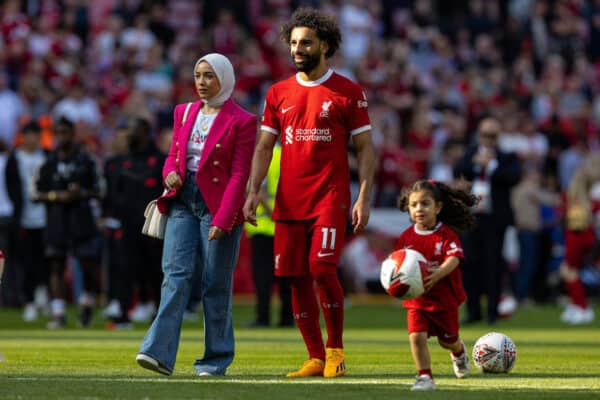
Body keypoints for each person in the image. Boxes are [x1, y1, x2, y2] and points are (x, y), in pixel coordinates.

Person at [243, 7, 376, 378]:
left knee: (321, 267)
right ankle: (316, 357)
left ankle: (336, 350)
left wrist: (363, 195)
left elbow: (365, 149)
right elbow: (263, 147)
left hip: (330, 199)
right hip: (287, 201)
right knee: (295, 276)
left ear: (325, 46)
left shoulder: (348, 92)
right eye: (294, 43)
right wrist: (254, 192)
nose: (298, 49)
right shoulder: (277, 93)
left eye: (306, 43)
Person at [136, 53, 257, 376]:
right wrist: (170, 173)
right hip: (182, 201)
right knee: (174, 277)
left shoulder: (242, 121)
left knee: (215, 283)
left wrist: (223, 218)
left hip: (218, 206)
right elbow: (174, 155)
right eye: (198, 75)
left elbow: (239, 174)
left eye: (209, 76)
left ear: (224, 79)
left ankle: (215, 360)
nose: (201, 83)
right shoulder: (184, 111)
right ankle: (157, 352)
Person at [395, 179, 477, 391]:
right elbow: (398, 264)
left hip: (444, 300)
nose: (419, 209)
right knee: (416, 337)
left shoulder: (445, 234)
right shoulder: (406, 237)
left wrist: (439, 272)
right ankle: (424, 377)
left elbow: (455, 257)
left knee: (447, 341)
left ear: (438, 207)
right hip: (417, 301)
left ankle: (458, 352)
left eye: (425, 203)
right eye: (414, 205)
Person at [32, 116, 103, 329]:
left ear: (73, 134)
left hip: (81, 218)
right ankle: (58, 312)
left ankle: (86, 305)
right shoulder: (46, 162)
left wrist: (81, 193)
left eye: (65, 133)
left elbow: (100, 190)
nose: (62, 137)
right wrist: (56, 196)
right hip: (57, 220)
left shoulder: (87, 161)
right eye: (58, 133)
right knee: (56, 265)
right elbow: (35, 193)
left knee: (87, 264)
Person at [453, 117, 522, 325]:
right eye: (485, 135)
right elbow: (458, 171)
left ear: (498, 137)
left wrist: (491, 165)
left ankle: (492, 312)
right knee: (470, 263)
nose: (489, 140)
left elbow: (514, 177)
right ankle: (473, 310)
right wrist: (475, 163)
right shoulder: (470, 153)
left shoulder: (506, 157)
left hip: (495, 219)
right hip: (472, 217)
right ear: (479, 135)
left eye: (492, 136)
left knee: (493, 265)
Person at [244, 142, 293, 328]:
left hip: (264, 227)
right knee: (286, 276)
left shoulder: (263, 154)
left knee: (263, 277)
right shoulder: (289, 155)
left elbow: (260, 193)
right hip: (286, 225)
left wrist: (272, 215)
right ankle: (287, 318)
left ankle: (262, 318)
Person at [5, 121, 48, 322]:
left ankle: (43, 296)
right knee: (25, 262)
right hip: (23, 218)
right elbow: (10, 186)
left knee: (45, 260)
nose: (34, 138)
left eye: (36, 134)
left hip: (45, 217)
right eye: (30, 134)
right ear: (23, 136)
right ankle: (29, 301)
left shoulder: (46, 157)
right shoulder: (15, 158)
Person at [559, 153, 600, 325]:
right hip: (586, 236)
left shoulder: (574, 195)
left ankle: (581, 307)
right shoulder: (590, 195)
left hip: (576, 237)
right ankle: (578, 306)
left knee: (568, 271)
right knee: (571, 270)